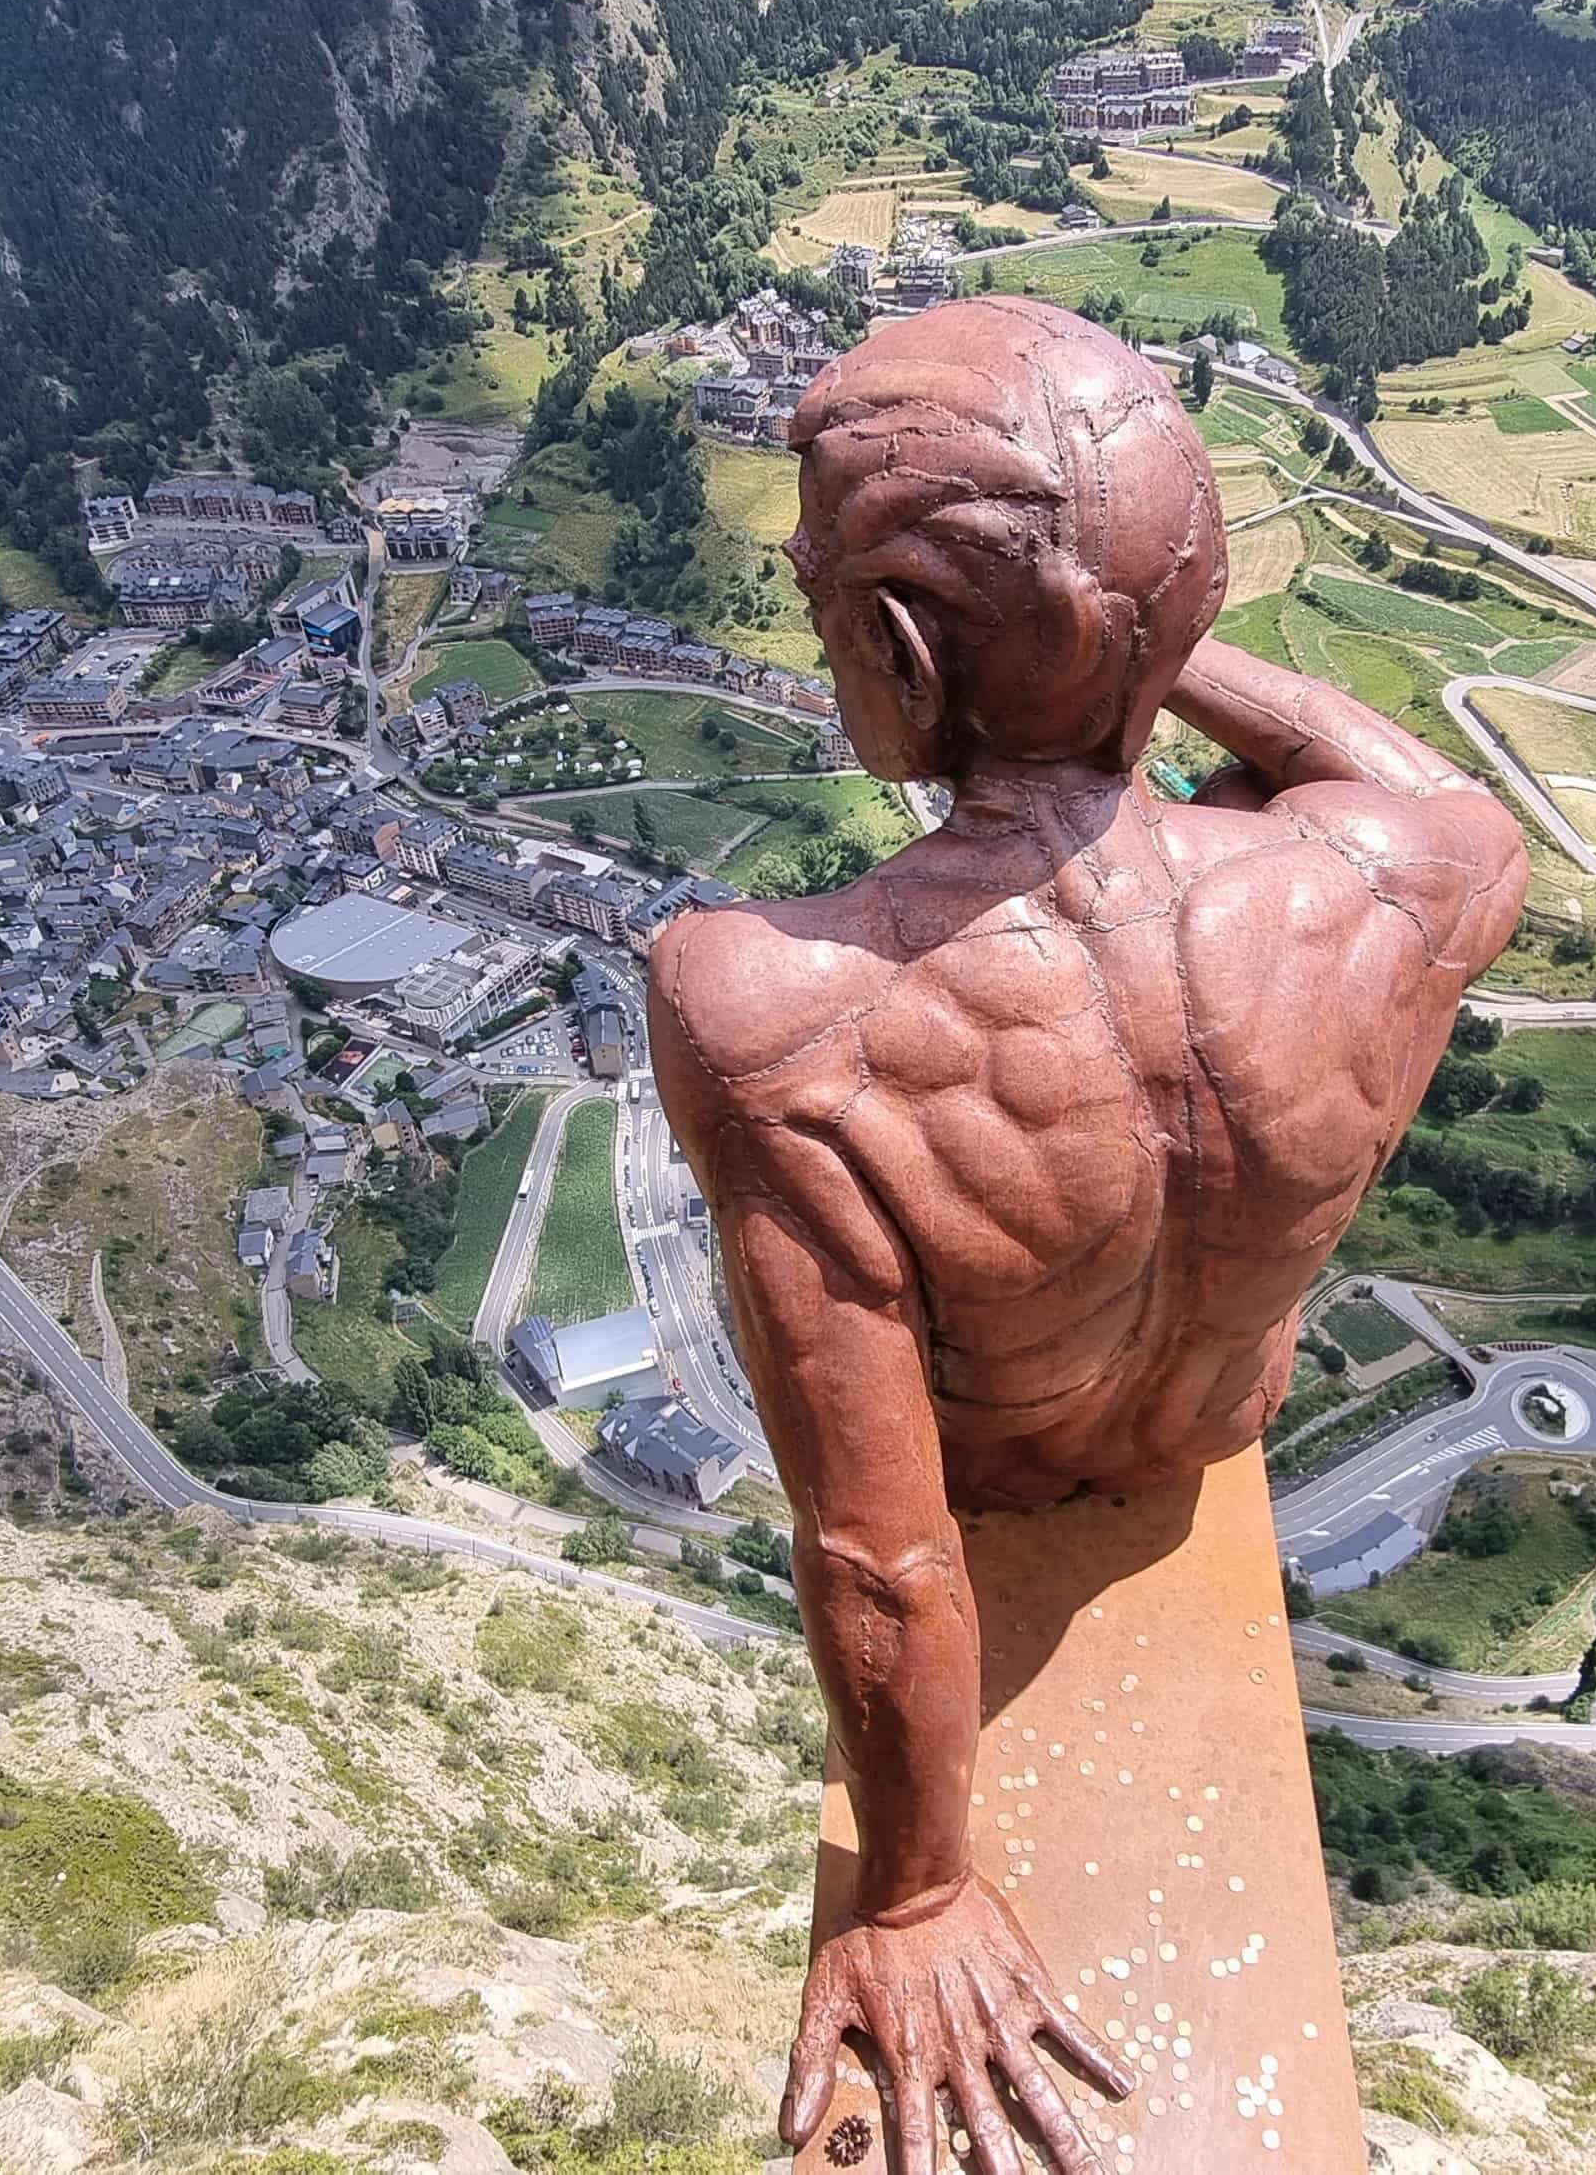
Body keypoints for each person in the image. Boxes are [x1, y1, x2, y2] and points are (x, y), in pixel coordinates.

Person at [646, 297, 1526, 2173]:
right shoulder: (1379, 895)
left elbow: (885, 1553)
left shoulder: (776, 1008)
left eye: (828, 612)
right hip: (1205, 1435)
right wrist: (1138, 641)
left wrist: (915, 1900)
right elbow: (1428, 796)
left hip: (996, 1480)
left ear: (894, 651)